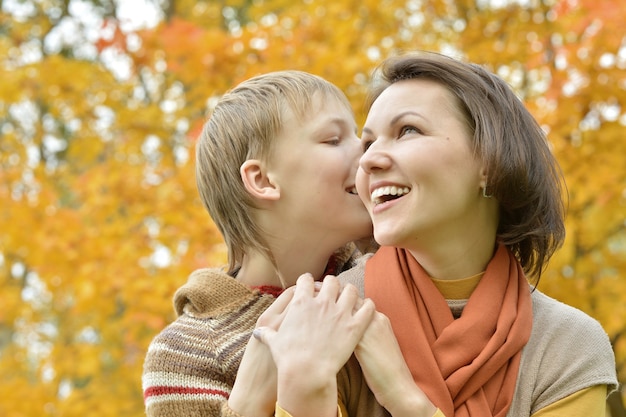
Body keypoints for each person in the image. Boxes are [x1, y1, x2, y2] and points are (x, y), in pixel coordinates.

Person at [252, 52, 618, 417]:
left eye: (407, 130)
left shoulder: (566, 345)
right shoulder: (323, 319)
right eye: (368, 144)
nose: (367, 160)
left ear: (490, 162)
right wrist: (308, 390)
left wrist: (407, 400)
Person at [141, 70, 377, 417]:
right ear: (263, 180)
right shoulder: (184, 355)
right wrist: (247, 406)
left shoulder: (390, 276)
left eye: (358, 135)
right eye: (333, 140)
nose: (367, 149)